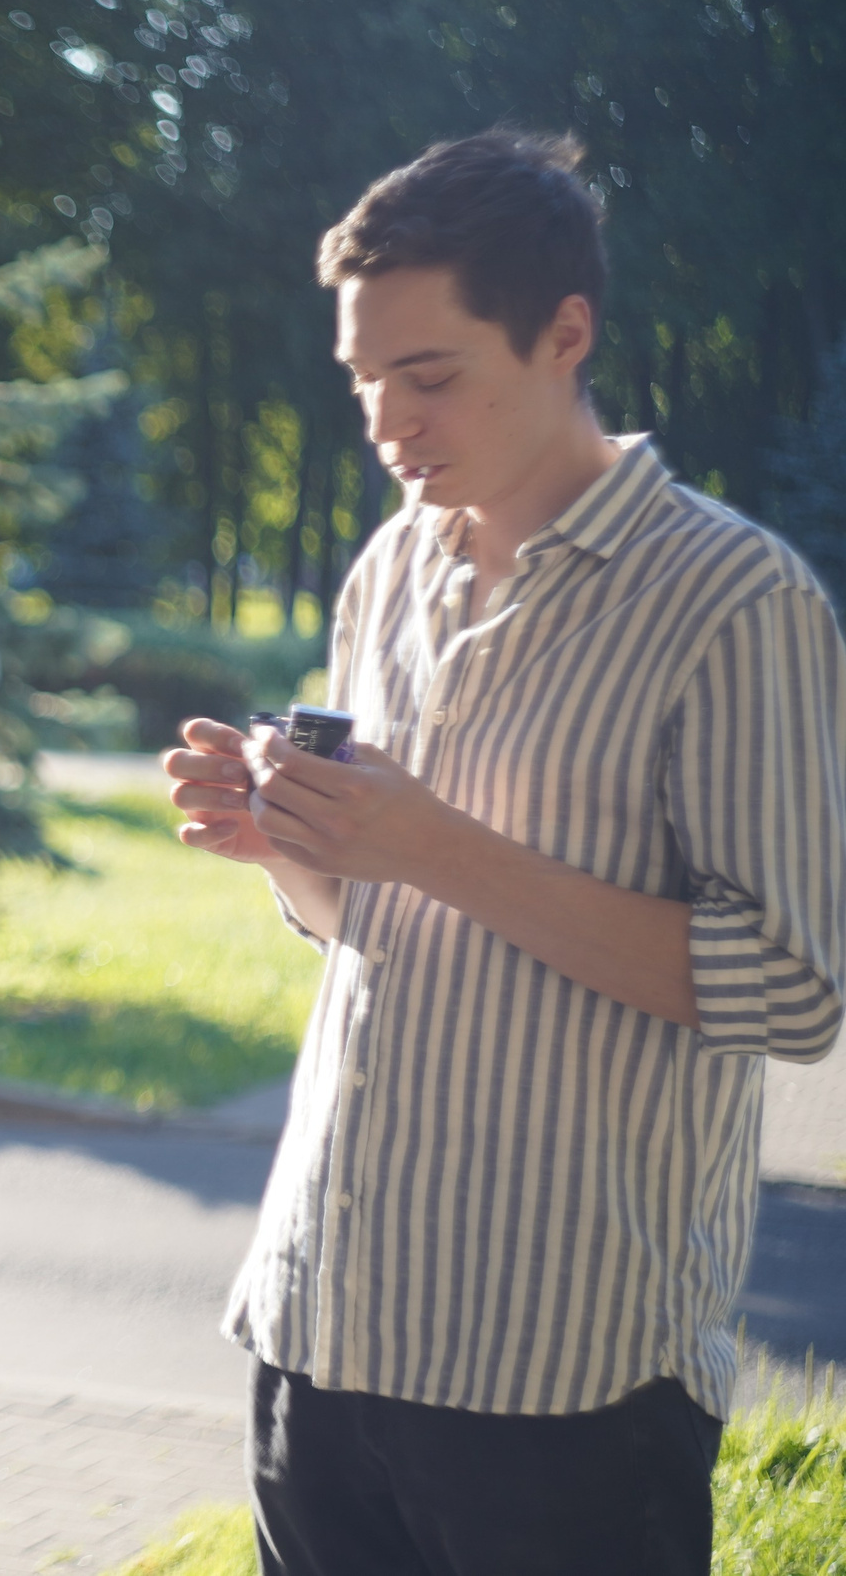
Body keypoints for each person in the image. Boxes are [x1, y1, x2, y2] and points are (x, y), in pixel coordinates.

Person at [164, 130, 846, 1575]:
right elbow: (373, 920)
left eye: (429, 374)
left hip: (563, 1380)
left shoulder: (737, 601)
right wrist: (286, 847)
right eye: (363, 380)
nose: (388, 421)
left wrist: (434, 842)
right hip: (318, 1325)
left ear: (564, 334)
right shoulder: (386, 566)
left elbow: (793, 989)